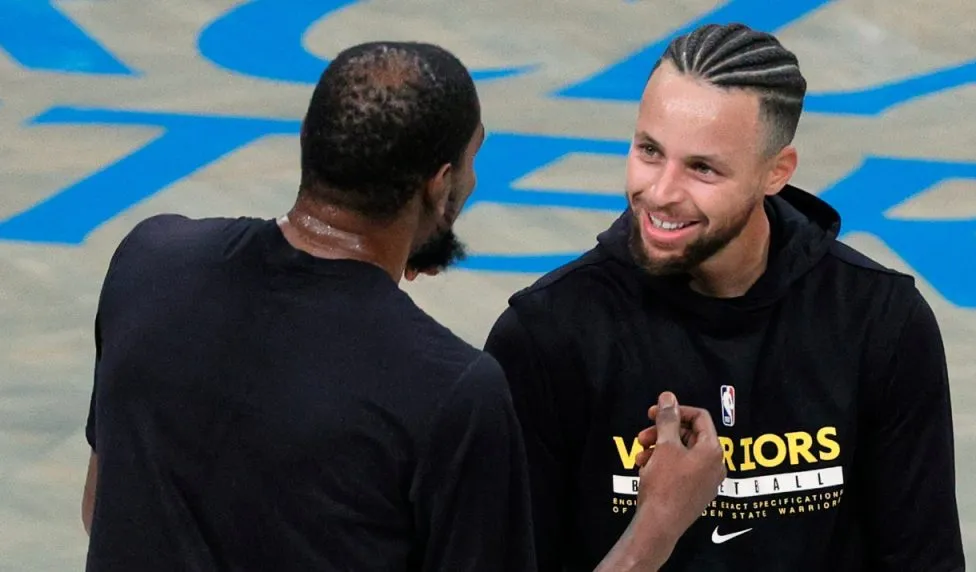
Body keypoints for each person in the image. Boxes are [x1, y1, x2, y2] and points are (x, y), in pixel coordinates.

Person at [79, 40, 727, 572]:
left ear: (313, 139)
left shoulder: (151, 261)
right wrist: (659, 524)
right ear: (440, 185)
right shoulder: (448, 393)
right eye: (472, 161)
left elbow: (102, 509)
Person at [483, 23, 966, 572]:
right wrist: (656, 526)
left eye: (702, 168)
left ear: (776, 172)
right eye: (648, 150)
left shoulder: (880, 323)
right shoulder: (548, 335)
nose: (661, 193)